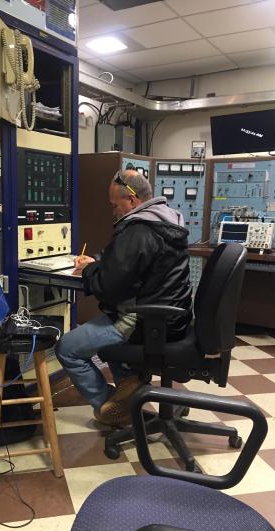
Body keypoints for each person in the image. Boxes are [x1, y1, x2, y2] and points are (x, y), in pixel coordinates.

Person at [55, 169, 192, 426]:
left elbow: (109, 287)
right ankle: (129, 386)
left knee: (67, 348)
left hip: (142, 321)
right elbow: (127, 265)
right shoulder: (166, 220)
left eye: (115, 205)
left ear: (131, 200)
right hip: (169, 319)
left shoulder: (138, 230)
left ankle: (114, 404)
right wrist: (96, 262)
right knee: (105, 328)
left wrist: (89, 269)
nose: (114, 211)